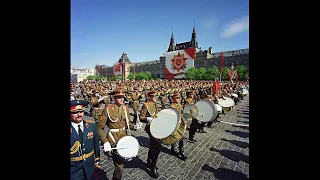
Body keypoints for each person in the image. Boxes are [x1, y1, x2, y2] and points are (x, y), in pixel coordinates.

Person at [96, 88, 138, 180]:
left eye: (122, 97)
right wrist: (105, 141)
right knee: (119, 165)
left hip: (124, 138)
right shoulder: (108, 110)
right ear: (114, 98)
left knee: (121, 164)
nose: (121, 99)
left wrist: (134, 126)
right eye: (119, 97)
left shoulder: (125, 109)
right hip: (113, 139)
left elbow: (128, 124)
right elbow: (99, 128)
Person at [70, 100, 101, 180]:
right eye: (75, 112)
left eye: (81, 111)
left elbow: (96, 144)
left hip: (90, 166)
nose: (79, 114)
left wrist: (97, 158)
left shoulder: (91, 126)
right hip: (73, 170)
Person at [139, 89, 161, 178]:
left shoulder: (156, 104)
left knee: (153, 145)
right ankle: (153, 167)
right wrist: (148, 119)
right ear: (149, 97)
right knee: (158, 147)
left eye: (156, 96)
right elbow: (141, 117)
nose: (155, 98)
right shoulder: (146, 105)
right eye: (153, 96)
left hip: (157, 127)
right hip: (150, 128)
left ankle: (149, 161)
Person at [170, 94, 188, 160]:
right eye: (177, 98)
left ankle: (181, 151)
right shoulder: (172, 106)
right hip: (175, 123)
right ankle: (173, 148)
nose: (178, 99)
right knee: (174, 136)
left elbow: (182, 111)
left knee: (182, 137)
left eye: (178, 98)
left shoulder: (179, 104)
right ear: (173, 99)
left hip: (180, 123)